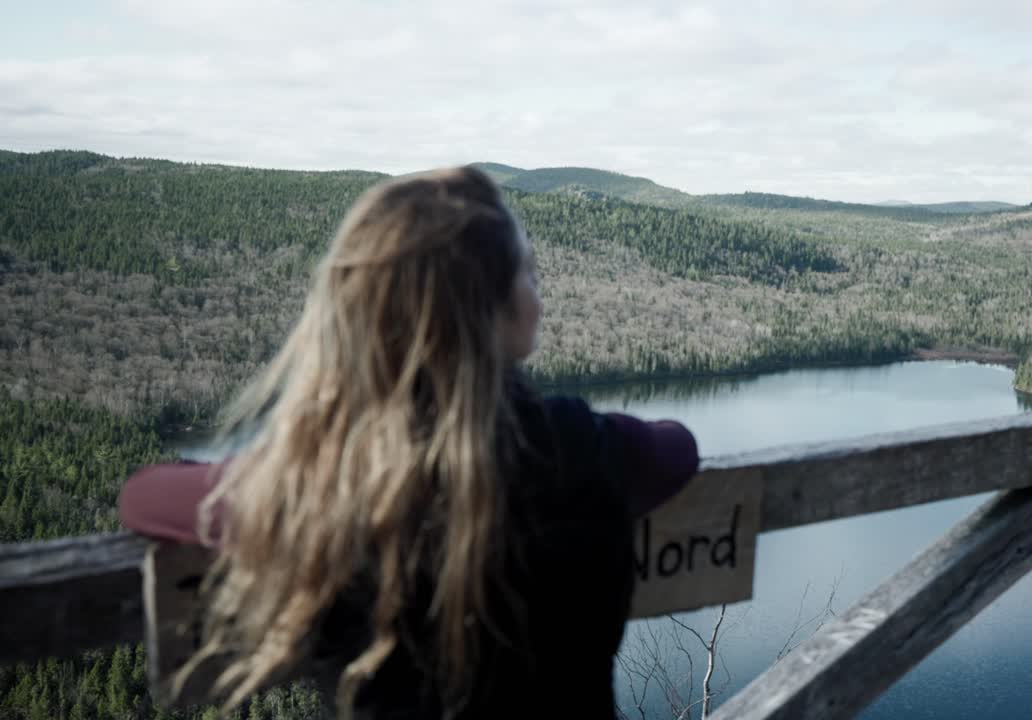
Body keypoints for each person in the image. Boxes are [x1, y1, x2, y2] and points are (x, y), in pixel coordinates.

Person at [117, 166, 699, 719]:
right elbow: (677, 450)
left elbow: (144, 498)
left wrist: (285, 469)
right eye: (527, 270)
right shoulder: (583, 448)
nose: (538, 285)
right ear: (493, 308)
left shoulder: (322, 490)